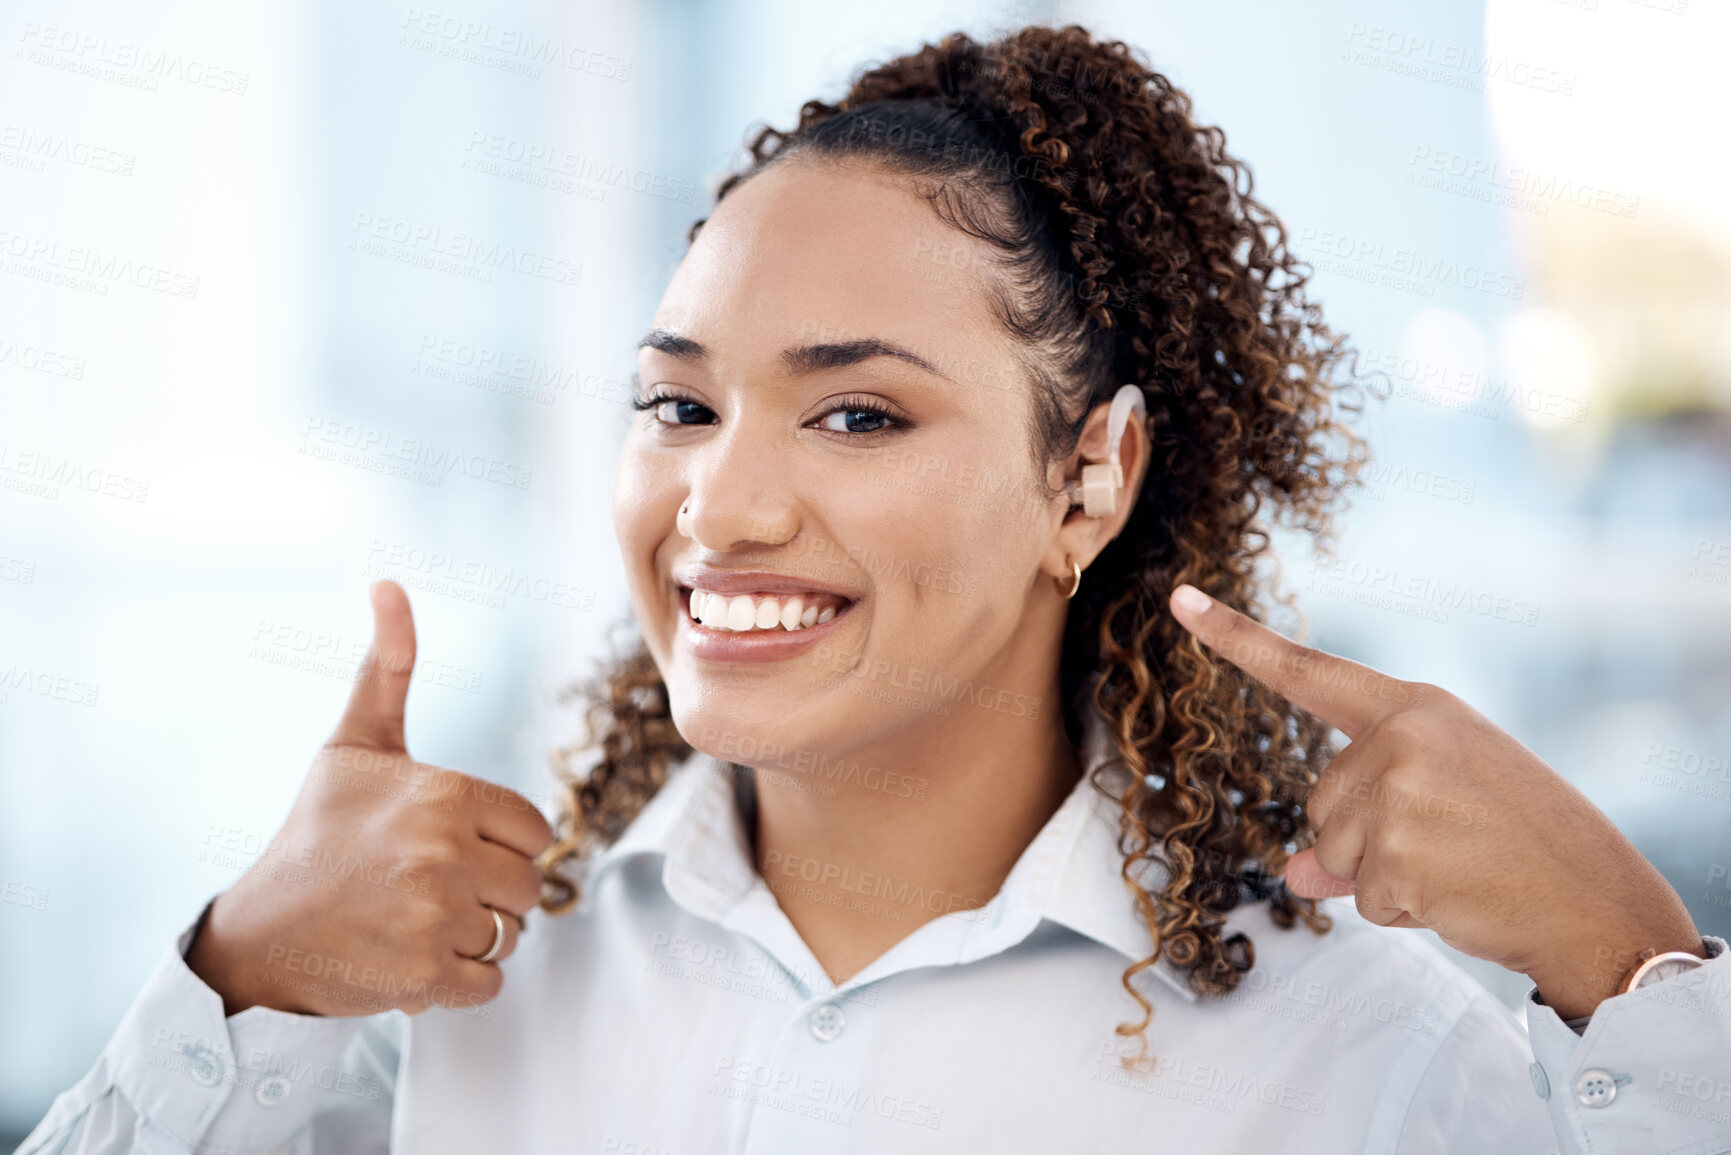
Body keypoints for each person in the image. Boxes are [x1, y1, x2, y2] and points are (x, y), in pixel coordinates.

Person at [21, 24, 1729, 1155]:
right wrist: (241, 978)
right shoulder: (476, 978)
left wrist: (1629, 961)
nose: (725, 500)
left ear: (1093, 478)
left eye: (857, 411)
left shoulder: (1359, 1052)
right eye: (679, 404)